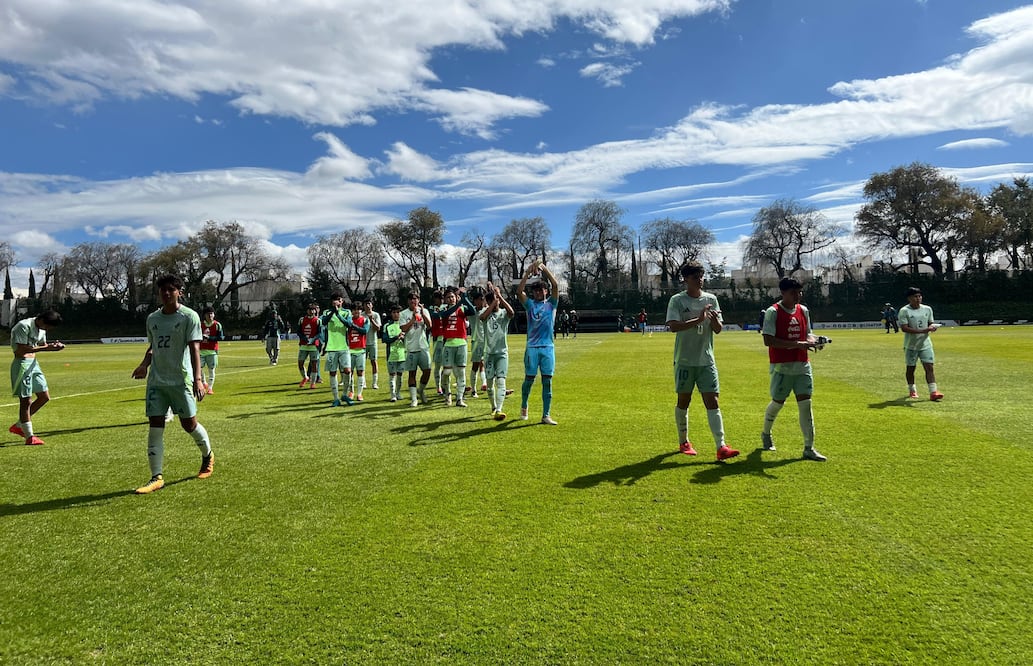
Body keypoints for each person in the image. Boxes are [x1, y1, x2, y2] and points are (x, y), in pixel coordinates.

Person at [130, 274, 214, 494]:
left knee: (189, 425)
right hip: (157, 382)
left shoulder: (189, 316)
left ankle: (207, 456)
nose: (166, 293)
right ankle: (156, 477)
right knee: (155, 425)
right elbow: (153, 347)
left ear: (179, 292)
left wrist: (198, 379)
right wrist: (144, 365)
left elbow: (195, 349)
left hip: (180, 380)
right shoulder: (153, 319)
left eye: (171, 289)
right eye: (162, 290)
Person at [665, 262, 739, 461]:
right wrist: (698, 320)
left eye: (701, 276)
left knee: (712, 400)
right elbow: (673, 326)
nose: (700, 280)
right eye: (695, 277)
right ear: (686, 279)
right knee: (684, 401)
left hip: (706, 360)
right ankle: (684, 442)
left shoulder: (711, 299)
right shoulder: (677, 300)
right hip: (685, 360)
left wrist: (713, 320)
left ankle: (721, 446)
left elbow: (718, 329)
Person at [760, 277, 826, 461]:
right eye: (793, 293)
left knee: (806, 405)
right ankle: (766, 433)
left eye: (799, 292)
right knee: (778, 403)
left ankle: (809, 448)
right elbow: (768, 340)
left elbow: (807, 334)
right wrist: (798, 344)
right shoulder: (773, 312)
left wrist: (814, 341)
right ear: (783, 293)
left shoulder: (803, 310)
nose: (798, 296)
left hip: (803, 365)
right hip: (782, 366)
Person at [8, 309, 65, 446]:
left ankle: (19, 425)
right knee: (26, 401)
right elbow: (21, 350)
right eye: (47, 326)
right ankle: (29, 436)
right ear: (41, 320)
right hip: (22, 364)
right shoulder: (23, 326)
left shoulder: (41, 329)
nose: (47, 329)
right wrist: (46, 348)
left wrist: (54, 346)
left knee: (44, 397)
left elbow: (41, 345)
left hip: (33, 364)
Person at [517, 259, 559, 425]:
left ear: (545, 291)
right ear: (533, 293)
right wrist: (527, 273)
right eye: (536, 291)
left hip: (548, 348)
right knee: (529, 379)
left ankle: (546, 415)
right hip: (532, 348)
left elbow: (555, 285)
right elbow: (519, 292)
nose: (539, 293)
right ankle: (524, 405)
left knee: (547, 381)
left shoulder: (551, 304)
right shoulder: (530, 305)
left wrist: (543, 268)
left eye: (541, 290)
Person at [432, 286, 477, 407]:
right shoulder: (443, 308)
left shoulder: (462, 308)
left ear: (456, 297)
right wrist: (459, 303)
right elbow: (445, 314)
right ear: (445, 299)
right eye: (448, 297)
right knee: (446, 372)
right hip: (448, 344)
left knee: (461, 372)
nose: (451, 299)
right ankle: (447, 393)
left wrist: (465, 297)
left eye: (452, 297)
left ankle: (459, 398)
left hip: (461, 343)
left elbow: (473, 311)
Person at [898, 287, 944, 401]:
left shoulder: (927, 309)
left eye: (919, 296)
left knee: (929, 367)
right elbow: (904, 328)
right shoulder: (904, 310)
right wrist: (923, 331)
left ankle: (933, 392)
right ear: (909, 298)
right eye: (915, 296)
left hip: (925, 344)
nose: (918, 298)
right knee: (911, 368)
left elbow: (930, 322)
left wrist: (932, 327)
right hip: (911, 345)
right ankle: (912, 390)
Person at [481, 282, 515, 420]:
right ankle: (493, 406)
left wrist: (500, 296)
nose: (496, 303)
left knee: (501, 381)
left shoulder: (503, 314)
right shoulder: (485, 313)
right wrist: (492, 303)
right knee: (490, 384)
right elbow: (482, 317)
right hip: (489, 354)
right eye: (492, 301)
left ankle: (499, 410)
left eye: (497, 301)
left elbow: (511, 312)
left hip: (502, 353)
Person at [398, 291, 434, 407]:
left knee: (427, 371)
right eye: (411, 299)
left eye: (415, 299)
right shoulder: (403, 314)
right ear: (408, 301)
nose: (413, 301)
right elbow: (403, 328)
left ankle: (421, 390)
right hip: (411, 347)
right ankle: (414, 399)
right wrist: (413, 319)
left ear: (418, 300)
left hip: (423, 346)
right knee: (412, 373)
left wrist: (422, 313)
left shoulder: (424, 310)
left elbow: (429, 325)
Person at [320, 293, 355, 407]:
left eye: (338, 300)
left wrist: (338, 314)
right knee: (333, 372)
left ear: (342, 301)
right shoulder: (326, 312)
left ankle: (344, 394)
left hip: (344, 347)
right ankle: (335, 398)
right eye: (334, 300)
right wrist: (333, 312)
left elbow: (349, 324)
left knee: (348, 370)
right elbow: (324, 322)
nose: (336, 302)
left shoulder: (346, 312)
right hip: (331, 347)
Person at [344, 302, 370, 401]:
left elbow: (364, 331)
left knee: (360, 372)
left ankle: (359, 393)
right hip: (349, 350)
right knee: (349, 372)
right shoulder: (349, 320)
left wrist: (353, 326)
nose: (356, 311)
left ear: (361, 310)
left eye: (358, 309)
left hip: (361, 350)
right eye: (354, 310)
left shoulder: (365, 320)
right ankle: (351, 391)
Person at [198, 306, 224, 394]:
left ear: (214, 314)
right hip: (201, 351)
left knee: (211, 370)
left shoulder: (217, 325)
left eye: (211, 314)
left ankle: (210, 388)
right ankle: (204, 382)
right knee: (199, 368)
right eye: (208, 314)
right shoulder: (200, 325)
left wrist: (209, 338)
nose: (210, 316)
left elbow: (221, 337)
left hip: (212, 351)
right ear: (204, 315)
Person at [383, 305, 406, 402]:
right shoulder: (387, 326)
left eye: (398, 312)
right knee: (392, 375)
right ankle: (392, 395)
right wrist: (396, 337)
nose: (396, 314)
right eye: (394, 312)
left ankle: (398, 393)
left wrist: (403, 338)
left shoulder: (404, 325)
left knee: (400, 375)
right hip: (391, 354)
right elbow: (385, 339)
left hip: (402, 354)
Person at [297, 303, 321, 388]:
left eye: (312, 310)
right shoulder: (302, 320)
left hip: (313, 346)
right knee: (300, 363)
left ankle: (313, 383)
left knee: (314, 364)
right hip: (303, 345)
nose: (311, 311)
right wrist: (304, 338)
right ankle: (305, 377)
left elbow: (319, 333)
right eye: (309, 310)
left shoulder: (318, 320)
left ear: (315, 311)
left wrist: (313, 339)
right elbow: (299, 331)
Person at [469, 287, 488, 396]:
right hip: (476, 341)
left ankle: (487, 385)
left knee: (486, 364)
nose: (480, 301)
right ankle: (473, 390)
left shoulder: (487, 310)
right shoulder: (472, 311)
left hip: (487, 341)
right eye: (477, 300)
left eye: (482, 299)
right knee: (475, 365)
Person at [362, 298, 381, 390]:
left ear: (372, 305)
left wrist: (372, 320)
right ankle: (363, 382)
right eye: (366, 304)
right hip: (363, 343)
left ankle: (374, 383)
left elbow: (378, 328)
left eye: (369, 304)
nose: (367, 306)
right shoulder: (361, 315)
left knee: (374, 361)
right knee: (362, 363)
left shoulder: (376, 315)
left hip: (373, 342)